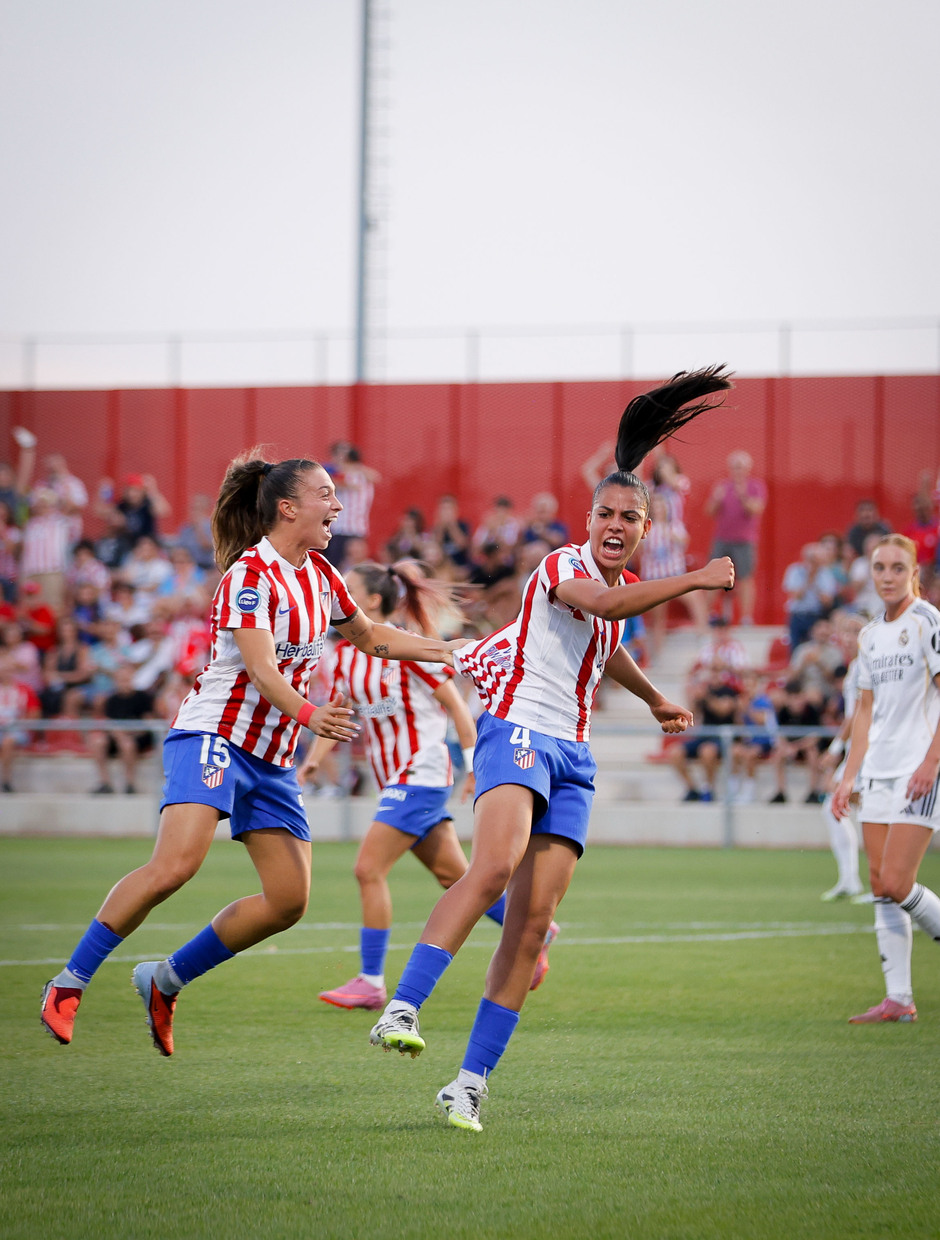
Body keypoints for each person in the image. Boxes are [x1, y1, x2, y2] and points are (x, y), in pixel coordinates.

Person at [367, 366, 735, 1132]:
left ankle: (467, 1083)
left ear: (642, 529)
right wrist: (694, 578)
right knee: (494, 866)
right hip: (517, 731)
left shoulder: (617, 589)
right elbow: (603, 603)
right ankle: (401, 1005)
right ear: (589, 517)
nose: (614, 524)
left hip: (573, 756)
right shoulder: (567, 568)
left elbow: (609, 643)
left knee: (532, 926)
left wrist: (655, 697)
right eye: (604, 512)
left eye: (628, 518)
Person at [40, 451, 455, 1055]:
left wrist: (445, 651)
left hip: (271, 756)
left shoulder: (322, 574)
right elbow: (261, 669)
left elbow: (371, 636)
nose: (338, 506)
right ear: (288, 508)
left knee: (289, 901)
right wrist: (314, 716)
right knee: (176, 866)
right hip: (214, 736)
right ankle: (67, 983)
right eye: (326, 494)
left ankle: (165, 979)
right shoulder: (249, 576)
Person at [298, 561, 540, 1013]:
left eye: (347, 588)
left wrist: (475, 768)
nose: (337, 594)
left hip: (422, 771)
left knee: (367, 868)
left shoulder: (400, 646)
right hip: (395, 778)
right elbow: (342, 714)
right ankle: (534, 931)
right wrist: (309, 765)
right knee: (459, 878)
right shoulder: (346, 656)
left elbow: (457, 708)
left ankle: (371, 981)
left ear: (371, 602)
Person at [832, 534, 940, 1023]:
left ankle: (900, 997)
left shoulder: (928, 623)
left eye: (898, 567)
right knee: (880, 883)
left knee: (899, 881)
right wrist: (847, 777)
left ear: (913, 571)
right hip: (876, 772)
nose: (888, 576)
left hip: (918, 770)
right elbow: (864, 712)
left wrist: (931, 763)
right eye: (880, 568)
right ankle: (899, 998)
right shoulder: (870, 634)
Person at [705, 450, 766, 625]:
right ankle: (707, 614)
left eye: (740, 467)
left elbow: (756, 509)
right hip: (722, 538)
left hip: (745, 540)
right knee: (714, 575)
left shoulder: (755, 486)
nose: (736, 470)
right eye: (734, 467)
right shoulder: (723, 486)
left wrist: (743, 496)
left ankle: (746, 617)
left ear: (748, 468)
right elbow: (709, 511)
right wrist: (717, 499)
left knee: (746, 577)